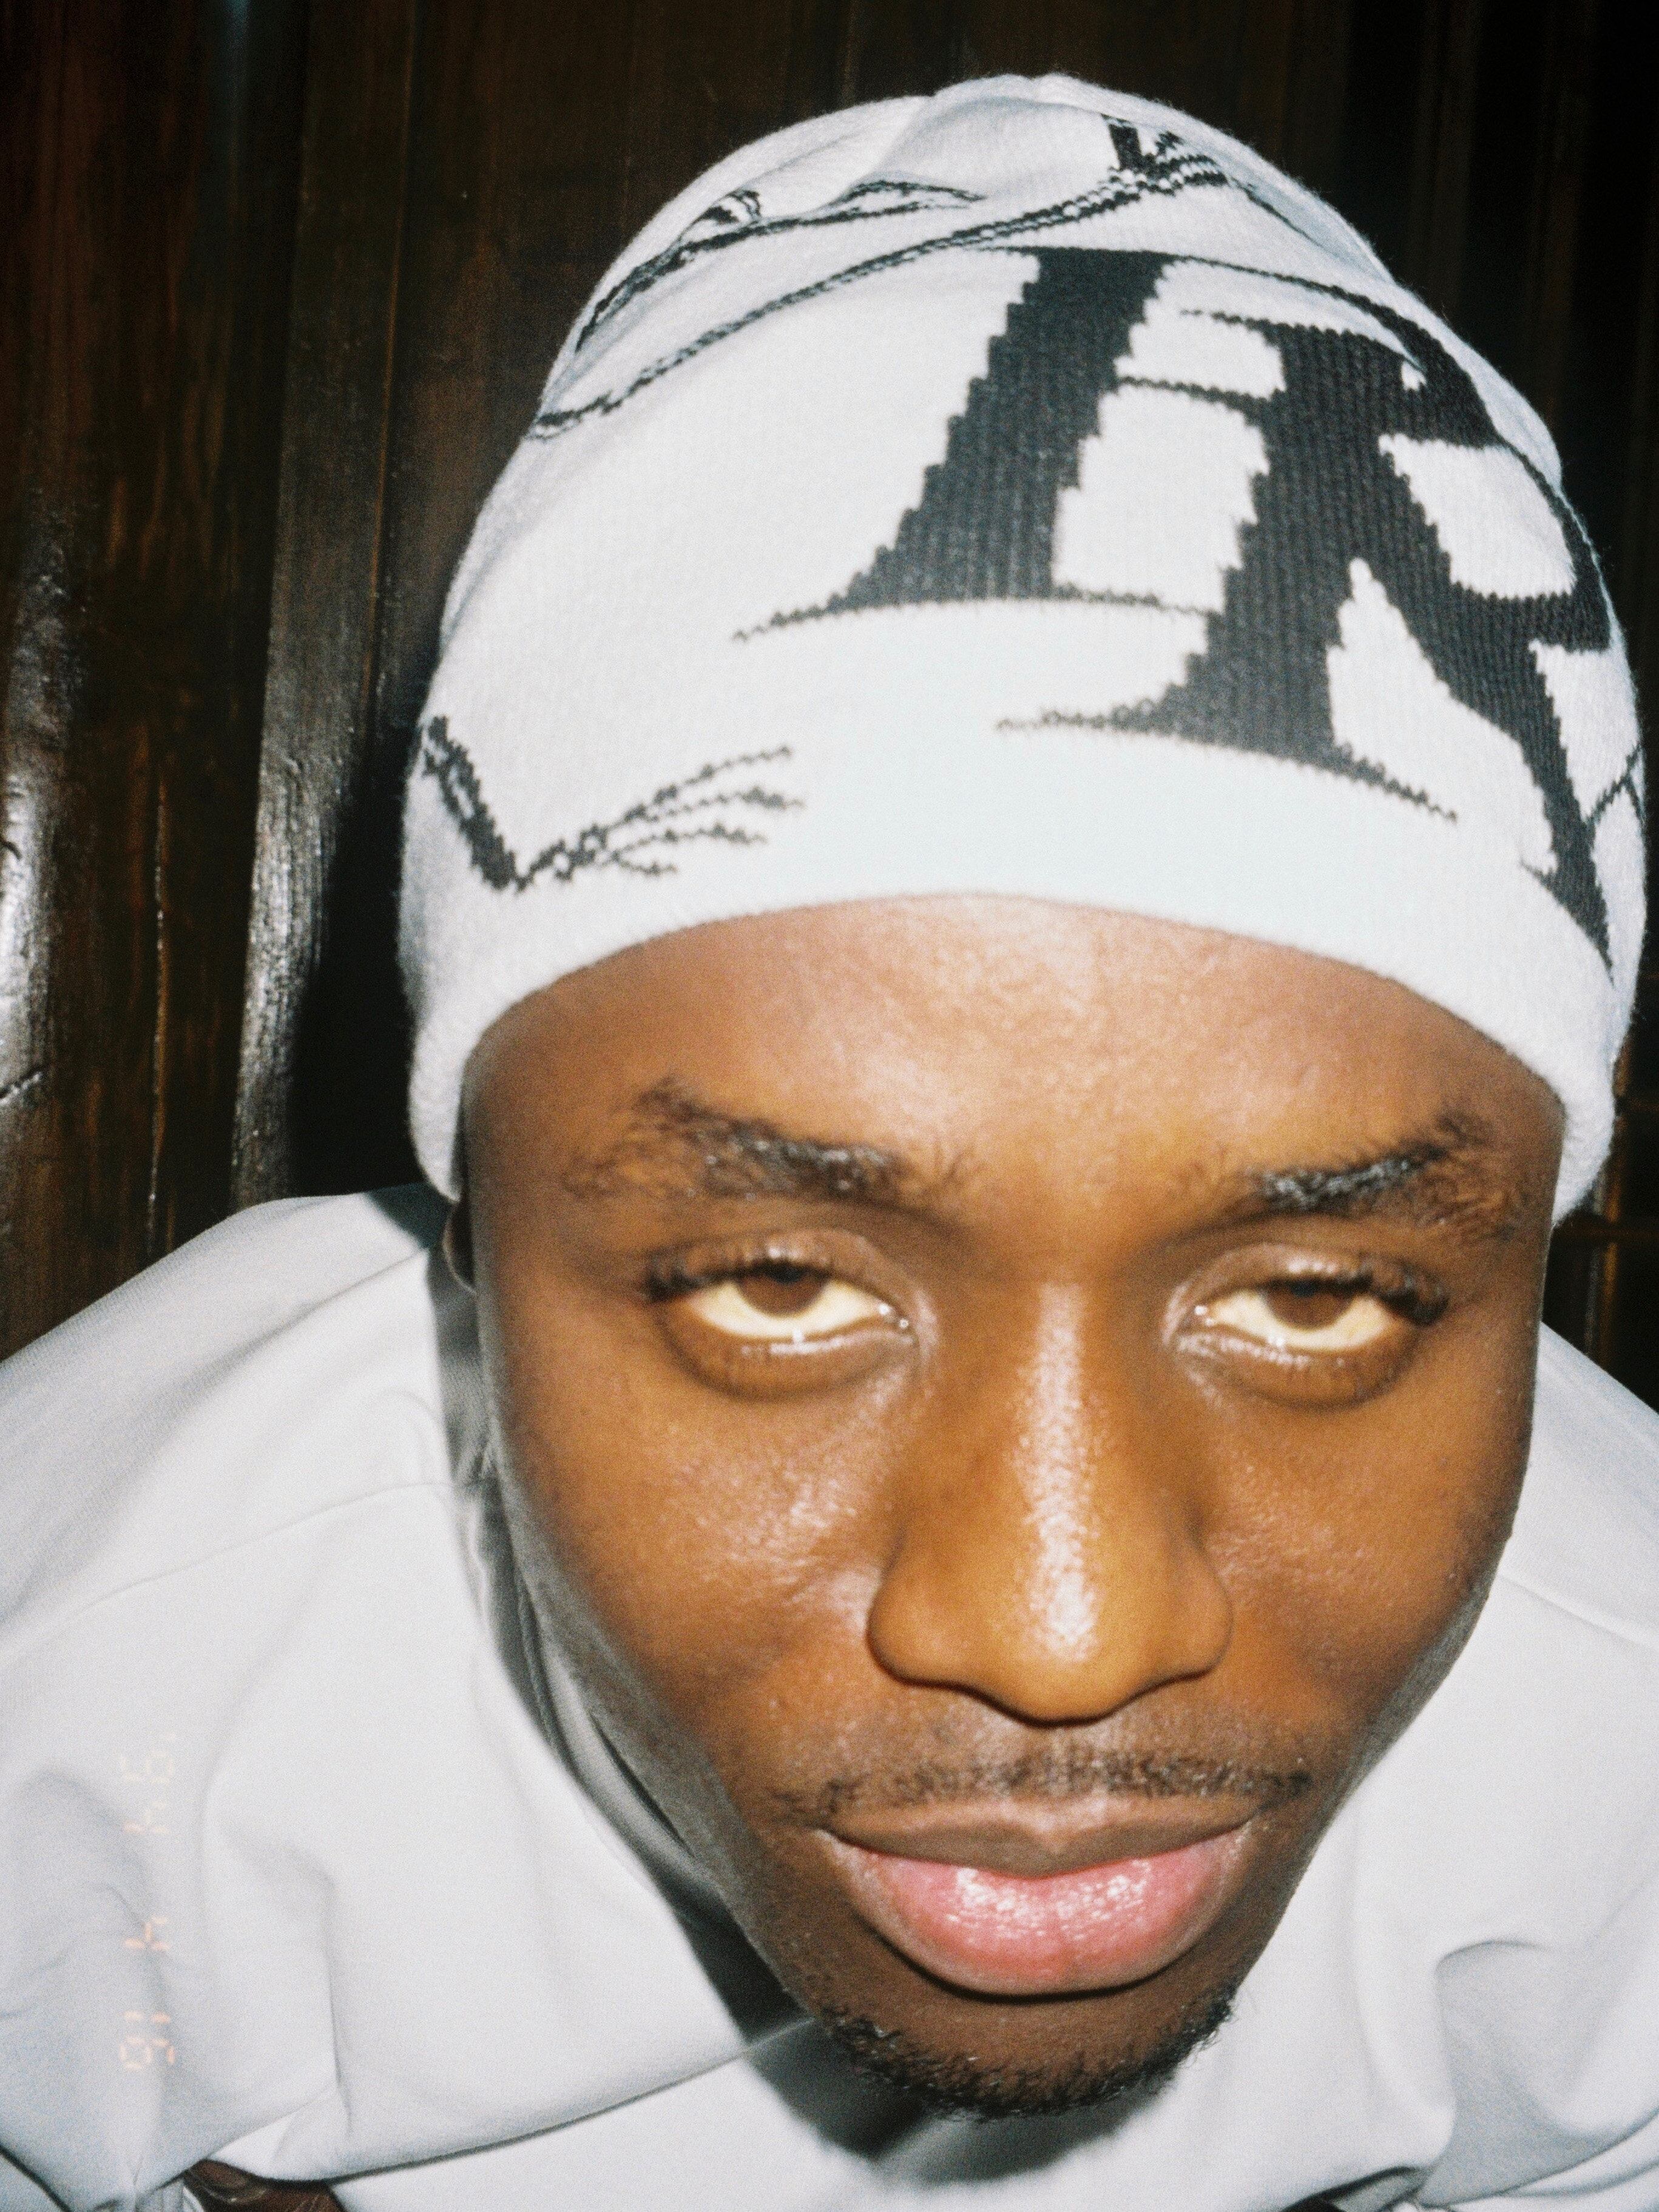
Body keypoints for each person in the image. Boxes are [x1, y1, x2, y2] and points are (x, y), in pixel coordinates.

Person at [2, 73, 1656, 2212]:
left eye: (1323, 1293)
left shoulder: (1620, 1763)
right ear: (464, 1227)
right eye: (777, 1284)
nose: (1061, 1633)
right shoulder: (79, 1708)